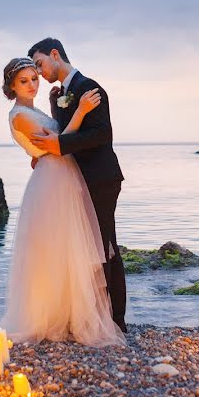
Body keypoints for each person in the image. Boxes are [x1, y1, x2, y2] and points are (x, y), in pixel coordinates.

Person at [0, 57, 124, 346]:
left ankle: (69, 315)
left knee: (67, 248)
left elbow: (50, 145)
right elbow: (57, 145)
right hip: (51, 182)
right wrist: (80, 111)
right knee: (55, 249)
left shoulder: (34, 110)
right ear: (12, 86)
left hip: (61, 177)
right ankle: (48, 317)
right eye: (24, 81)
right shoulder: (19, 115)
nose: (32, 84)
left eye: (34, 78)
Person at [27, 38, 127, 333]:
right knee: (87, 248)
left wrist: (58, 146)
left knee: (106, 246)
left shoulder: (89, 88)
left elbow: (101, 134)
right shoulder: (59, 94)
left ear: (55, 55)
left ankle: (117, 320)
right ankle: (93, 314)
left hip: (101, 178)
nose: (39, 72)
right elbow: (63, 133)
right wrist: (47, 154)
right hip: (76, 182)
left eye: (40, 64)